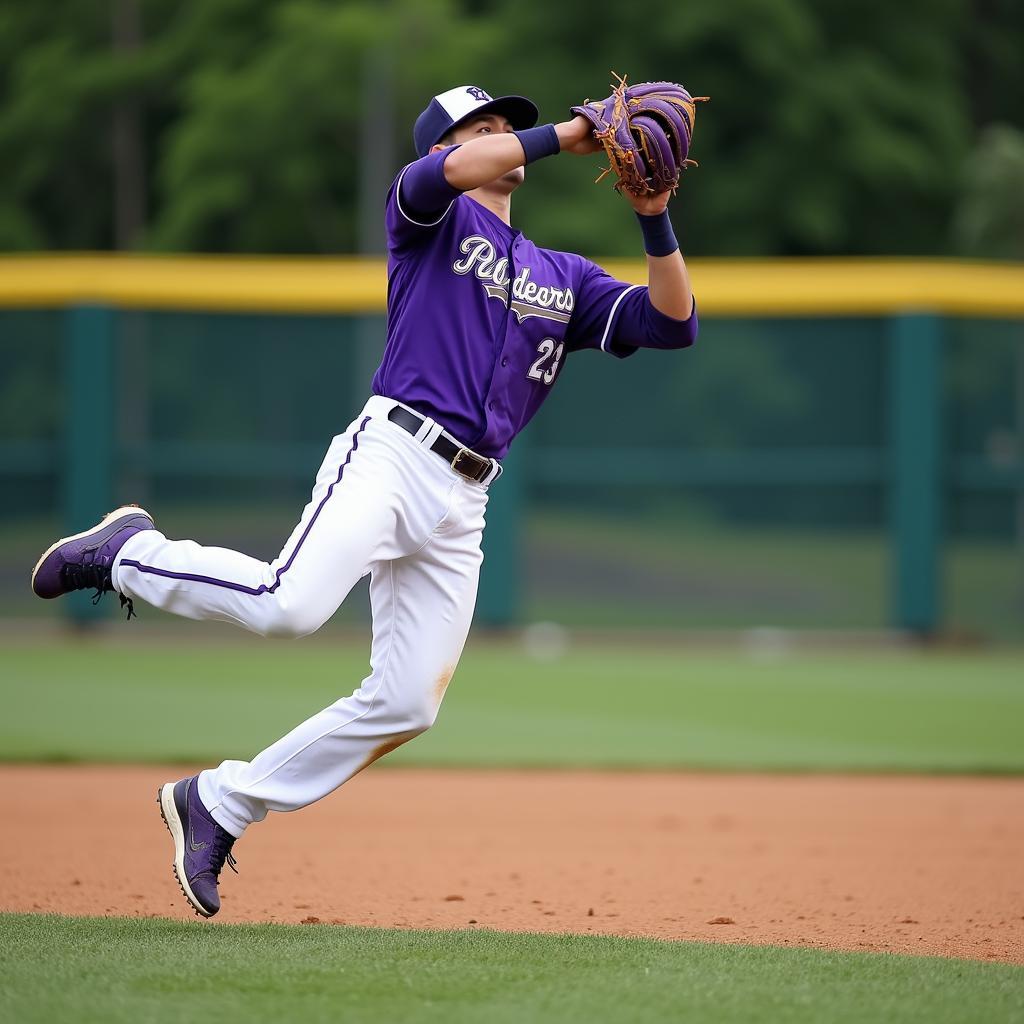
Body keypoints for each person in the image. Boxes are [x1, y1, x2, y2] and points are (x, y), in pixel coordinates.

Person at [30, 84, 698, 918]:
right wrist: (567, 133)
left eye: (507, 124)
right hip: (392, 454)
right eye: (484, 128)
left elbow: (673, 323)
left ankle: (220, 804)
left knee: (410, 699)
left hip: (465, 500)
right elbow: (446, 173)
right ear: (445, 148)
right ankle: (129, 552)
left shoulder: (562, 276)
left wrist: (654, 214)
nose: (504, 136)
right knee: (289, 606)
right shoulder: (427, 214)